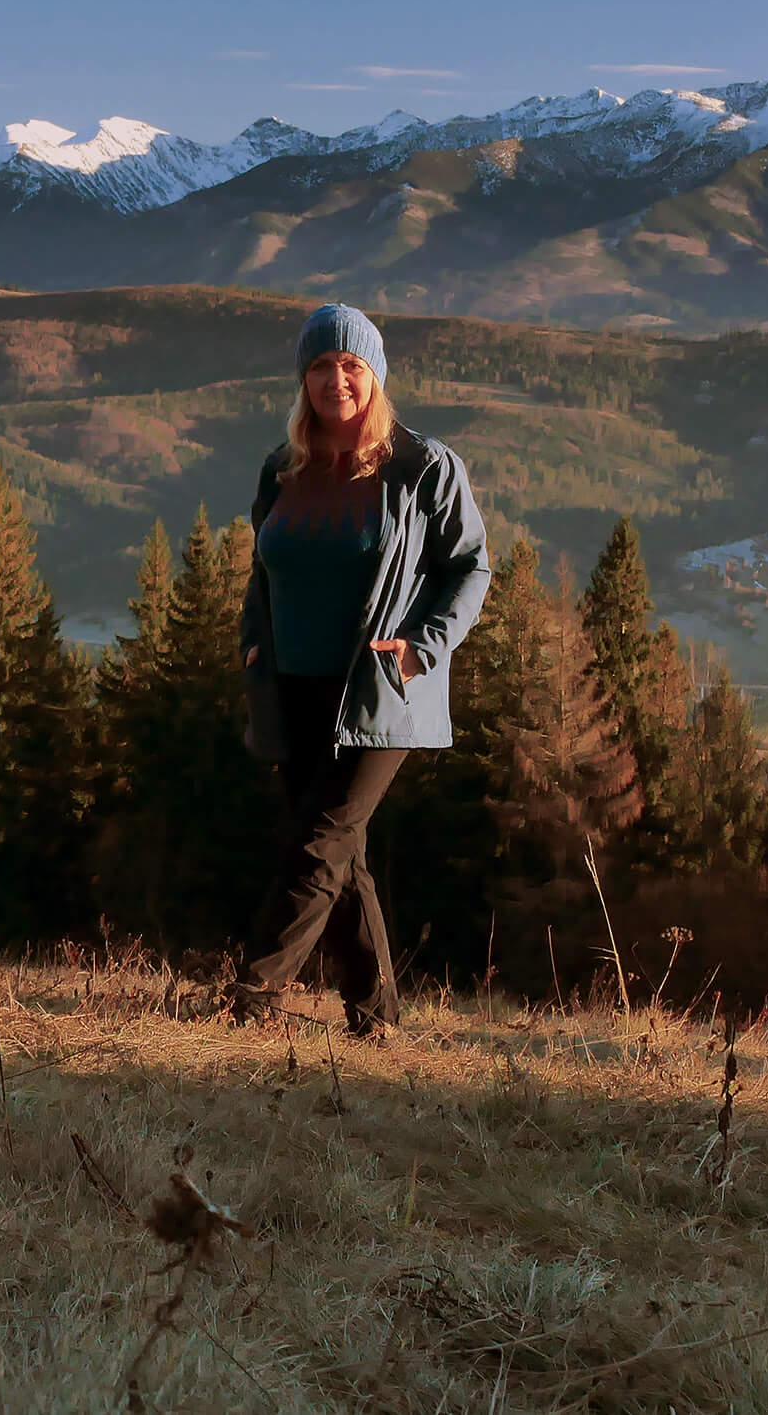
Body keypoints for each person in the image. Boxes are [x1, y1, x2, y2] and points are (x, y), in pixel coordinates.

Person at [231, 303, 491, 1038]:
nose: (334, 380)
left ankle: (248, 999)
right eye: (319, 366)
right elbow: (262, 571)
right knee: (343, 857)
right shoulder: (282, 469)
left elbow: (472, 568)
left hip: (381, 692)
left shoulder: (423, 467)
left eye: (350, 365)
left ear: (374, 375)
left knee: (317, 845)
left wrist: (422, 645)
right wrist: (255, 640)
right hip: (291, 691)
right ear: (302, 379)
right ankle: (376, 1020)